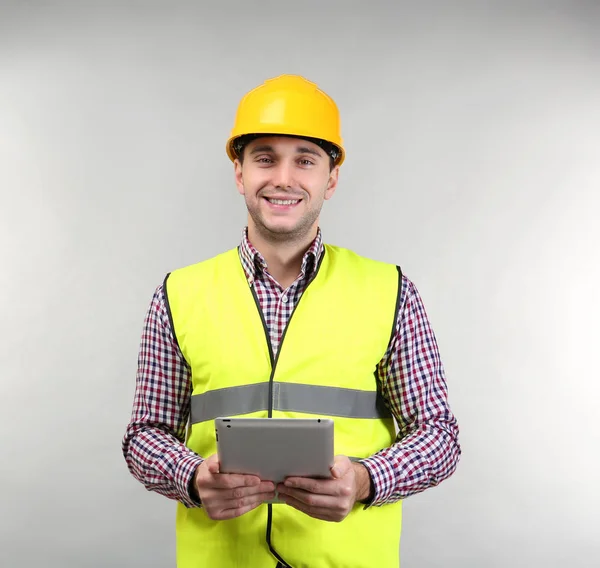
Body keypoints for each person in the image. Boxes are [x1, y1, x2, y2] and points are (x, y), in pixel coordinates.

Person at [122, 74, 461, 568]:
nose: (283, 177)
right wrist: (192, 478)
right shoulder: (178, 295)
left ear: (332, 177)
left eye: (305, 159)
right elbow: (145, 434)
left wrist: (366, 480)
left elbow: (438, 435)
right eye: (264, 158)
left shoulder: (391, 291)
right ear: (239, 174)